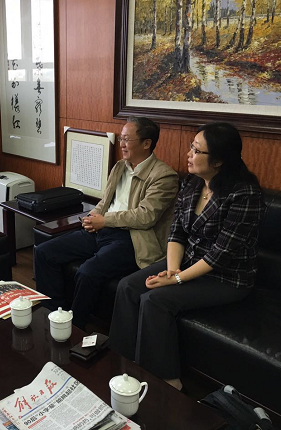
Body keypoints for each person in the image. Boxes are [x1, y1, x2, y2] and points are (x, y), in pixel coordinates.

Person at [108, 122, 266, 391]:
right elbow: (177, 232)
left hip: (226, 278)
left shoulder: (244, 194)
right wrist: (172, 270)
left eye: (197, 150)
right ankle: (120, 362)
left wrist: (176, 280)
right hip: (187, 263)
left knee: (155, 300)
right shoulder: (193, 184)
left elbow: (219, 255)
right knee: (127, 286)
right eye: (191, 147)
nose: (189, 154)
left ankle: (166, 381)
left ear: (218, 160)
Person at [35, 117, 179, 330]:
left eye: (127, 139)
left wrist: (105, 220)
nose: (121, 144)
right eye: (121, 139)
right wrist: (93, 216)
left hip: (132, 239)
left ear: (146, 143)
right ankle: (54, 314)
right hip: (102, 229)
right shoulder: (120, 166)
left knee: (87, 272)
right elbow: (106, 201)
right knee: (44, 252)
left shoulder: (164, 176)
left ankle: (75, 327)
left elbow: (145, 216)